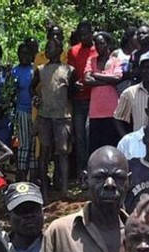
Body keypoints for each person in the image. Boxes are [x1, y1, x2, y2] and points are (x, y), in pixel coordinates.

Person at [31, 147, 130, 252]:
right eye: (100, 177)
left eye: (118, 177)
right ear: (84, 180)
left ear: (129, 182)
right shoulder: (60, 232)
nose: (110, 184)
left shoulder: (143, 237)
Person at [35, 39, 73, 194]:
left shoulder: (69, 70)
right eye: (46, 47)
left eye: (50, 47)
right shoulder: (40, 69)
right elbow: (33, 87)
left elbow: (72, 93)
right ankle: (44, 190)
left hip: (62, 117)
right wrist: (37, 98)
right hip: (44, 116)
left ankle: (64, 190)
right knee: (44, 152)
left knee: (63, 153)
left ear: (59, 50)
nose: (47, 51)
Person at [85, 32, 127, 151]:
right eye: (96, 44)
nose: (99, 47)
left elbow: (117, 79)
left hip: (112, 110)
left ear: (108, 44)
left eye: (102, 43)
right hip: (95, 111)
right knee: (95, 146)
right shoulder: (91, 60)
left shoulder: (115, 61)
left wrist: (96, 75)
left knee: (112, 143)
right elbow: (87, 80)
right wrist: (108, 80)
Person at [5, 182, 44, 252]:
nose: (29, 216)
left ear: (43, 212)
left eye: (33, 209)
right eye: (22, 211)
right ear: (8, 218)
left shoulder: (55, 247)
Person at [68, 22, 97, 168]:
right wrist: (74, 84)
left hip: (95, 99)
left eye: (87, 34)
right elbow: (70, 74)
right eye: (81, 35)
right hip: (79, 100)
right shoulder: (73, 51)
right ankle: (81, 171)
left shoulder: (98, 48)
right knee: (79, 137)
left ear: (92, 33)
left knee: (90, 134)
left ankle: (93, 167)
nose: (84, 37)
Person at [10, 43, 37, 180]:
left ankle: (33, 175)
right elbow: (10, 93)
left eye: (26, 53)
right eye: (21, 53)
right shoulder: (14, 71)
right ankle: (21, 174)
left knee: (33, 144)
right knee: (24, 144)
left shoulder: (35, 69)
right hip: (22, 110)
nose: (24, 56)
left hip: (35, 111)